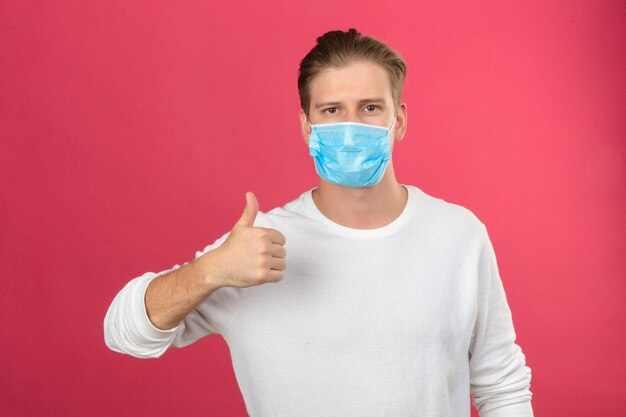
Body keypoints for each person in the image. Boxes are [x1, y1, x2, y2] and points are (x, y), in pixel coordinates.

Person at [104, 28, 534, 417]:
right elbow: (124, 333)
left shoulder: (458, 235)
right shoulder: (257, 247)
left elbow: (502, 386)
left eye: (369, 107)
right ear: (307, 128)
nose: (350, 126)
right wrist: (210, 270)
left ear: (398, 120)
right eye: (331, 110)